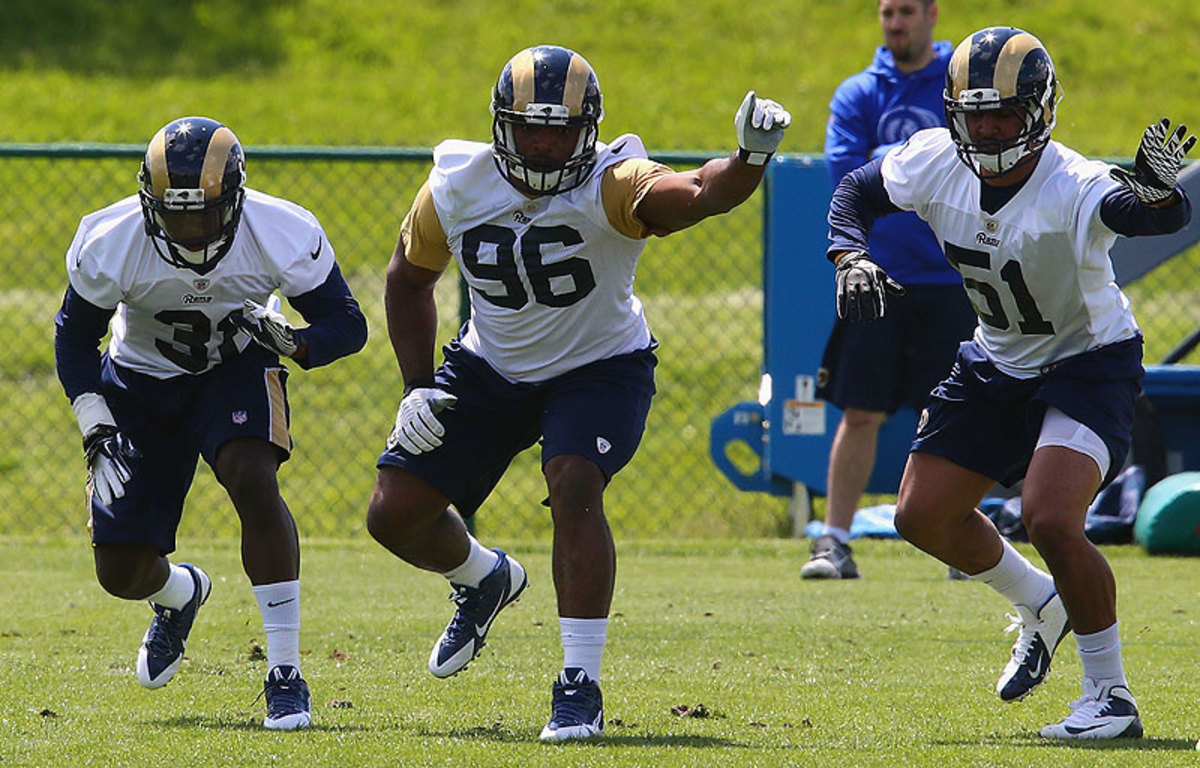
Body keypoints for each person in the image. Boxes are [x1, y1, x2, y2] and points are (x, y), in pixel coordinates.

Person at [365, 44, 790, 742]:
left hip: (599, 365)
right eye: (528, 126)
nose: (541, 142)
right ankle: (483, 578)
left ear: (588, 129)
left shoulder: (613, 182)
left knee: (573, 480)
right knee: (394, 515)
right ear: (500, 124)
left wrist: (749, 160)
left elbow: (702, 195)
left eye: (558, 130)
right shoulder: (455, 185)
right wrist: (416, 388)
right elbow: (407, 279)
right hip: (490, 367)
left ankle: (578, 684)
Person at [827, 27, 1192, 739]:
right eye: (976, 114)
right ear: (952, 113)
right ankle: (1041, 603)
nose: (990, 129)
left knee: (1052, 516)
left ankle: (1110, 696)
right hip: (997, 358)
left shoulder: (1074, 181)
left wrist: (1156, 195)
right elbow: (856, 191)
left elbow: (1147, 214)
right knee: (919, 516)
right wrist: (849, 256)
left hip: (1088, 362)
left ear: (1042, 111)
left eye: (1005, 114)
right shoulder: (935, 161)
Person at [53, 116, 368, 730]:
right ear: (150, 204)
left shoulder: (280, 228)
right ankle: (179, 594)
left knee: (252, 474)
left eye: (207, 214)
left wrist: (296, 344)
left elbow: (346, 324)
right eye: (177, 215)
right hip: (139, 382)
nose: (194, 230)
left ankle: (283, 670)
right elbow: (75, 338)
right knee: (120, 573)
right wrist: (94, 423)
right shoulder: (110, 237)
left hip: (235, 365)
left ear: (237, 199)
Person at [805, 0, 976, 580]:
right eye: (886, 13)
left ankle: (961, 539)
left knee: (960, 416)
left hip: (954, 279)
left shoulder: (962, 80)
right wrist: (924, 160)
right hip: (874, 277)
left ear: (932, 13)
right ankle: (833, 540)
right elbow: (847, 177)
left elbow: (981, 161)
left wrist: (895, 161)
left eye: (906, 11)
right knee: (861, 411)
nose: (895, 23)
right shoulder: (859, 93)